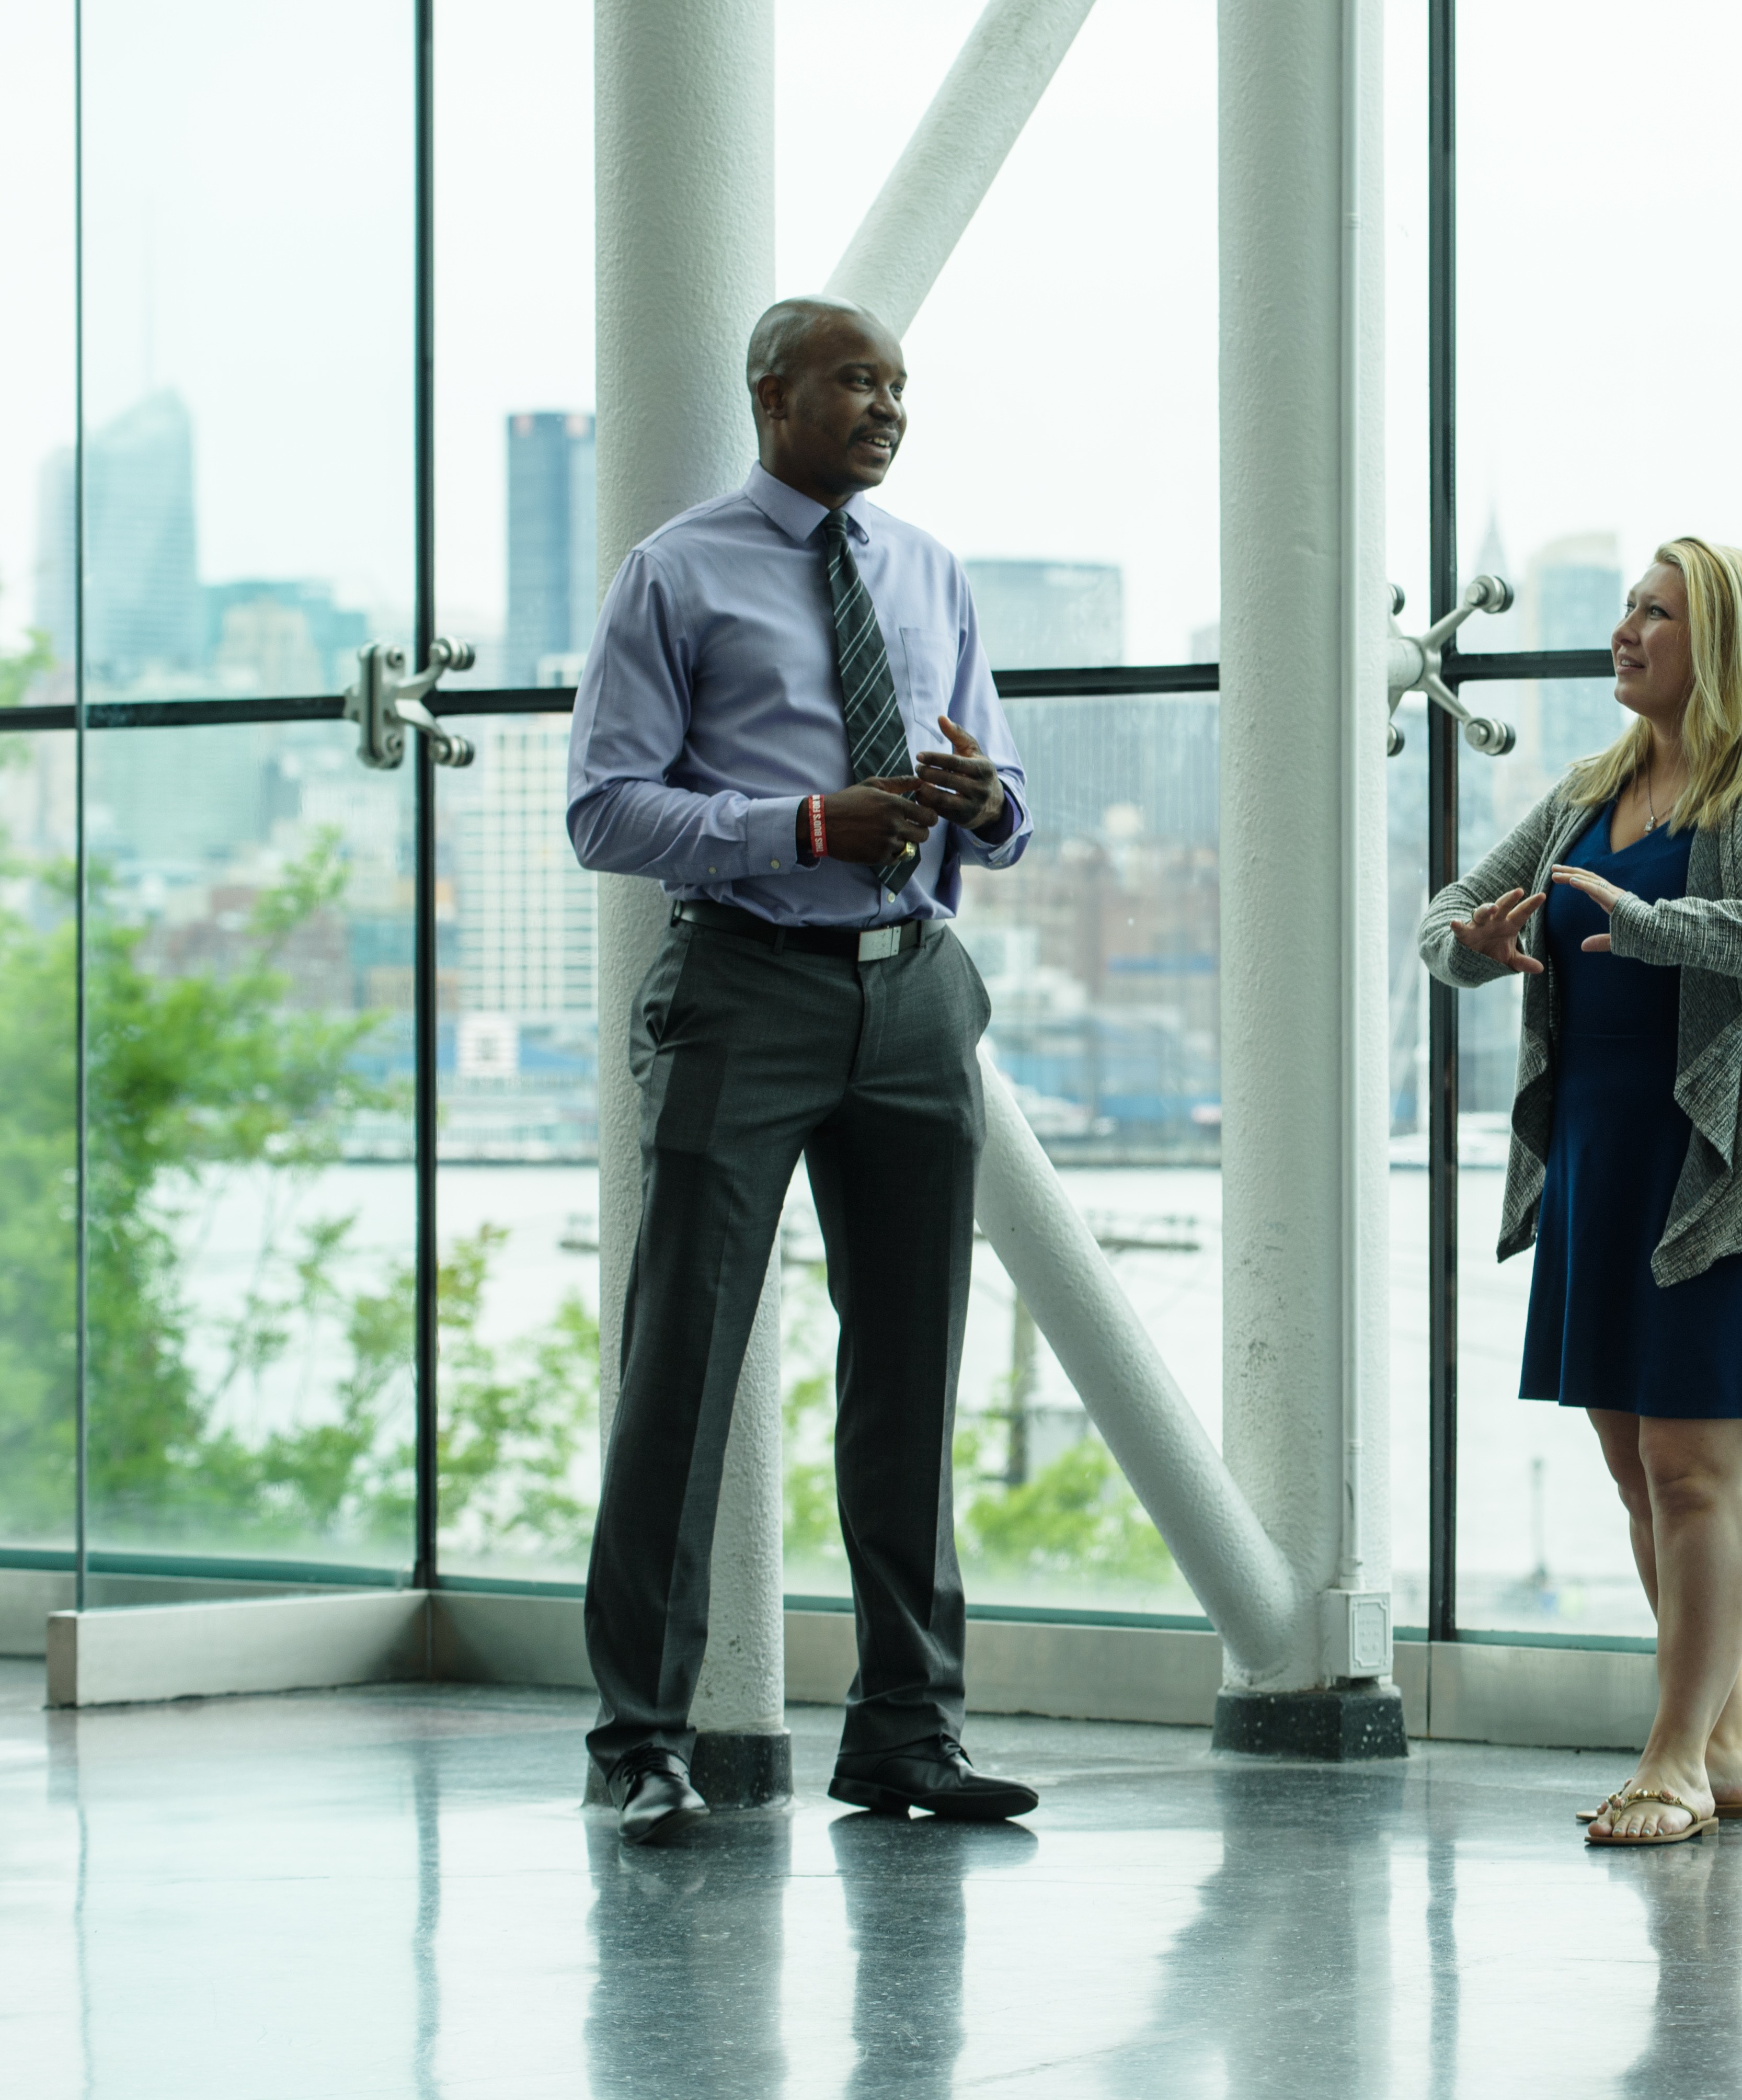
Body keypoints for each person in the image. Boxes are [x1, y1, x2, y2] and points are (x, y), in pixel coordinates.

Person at [567, 294, 1041, 1844]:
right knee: (683, 1367)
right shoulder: (677, 571)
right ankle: (640, 1741)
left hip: (915, 997)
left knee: (910, 1372)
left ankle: (909, 1734)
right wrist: (805, 824)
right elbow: (605, 809)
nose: (887, 407)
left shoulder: (930, 568)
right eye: (855, 381)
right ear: (773, 396)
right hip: (743, 990)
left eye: (899, 384)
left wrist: (983, 801)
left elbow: (1006, 788)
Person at [1419, 538, 1742, 1848]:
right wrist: (1475, 943)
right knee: (1638, 1473)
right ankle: (1722, 1746)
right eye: (1625, 606)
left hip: (1727, 1165)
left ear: (1720, 638)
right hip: (1601, 1163)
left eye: (1655, 612)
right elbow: (1446, 918)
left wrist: (1665, 927)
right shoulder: (1587, 789)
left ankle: (1672, 1757)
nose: (1624, 629)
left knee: (1690, 1469)